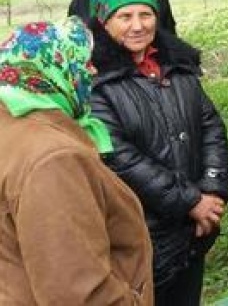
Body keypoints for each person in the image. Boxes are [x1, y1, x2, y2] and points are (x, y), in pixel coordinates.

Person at [89, 0, 228, 305]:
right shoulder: (97, 83)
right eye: (125, 17)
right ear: (104, 22)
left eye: (146, 14)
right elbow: (120, 158)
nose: (138, 26)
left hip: (194, 229)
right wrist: (191, 201)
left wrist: (212, 190)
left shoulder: (176, 67)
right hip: (144, 235)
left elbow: (210, 126)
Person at [0, 17, 154, 305]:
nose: (92, 71)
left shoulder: (11, 123)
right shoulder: (53, 159)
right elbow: (79, 293)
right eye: (81, 63)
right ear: (50, 71)